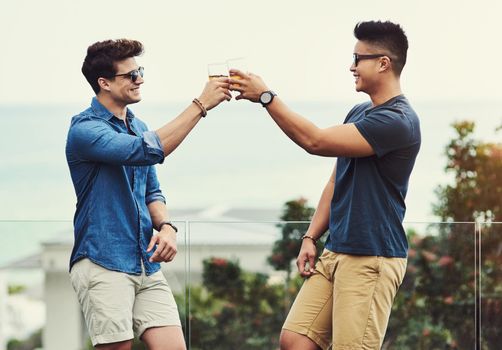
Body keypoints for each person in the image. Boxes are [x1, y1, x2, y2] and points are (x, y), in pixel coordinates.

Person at [229, 20, 421, 349]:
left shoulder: (397, 121)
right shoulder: (361, 111)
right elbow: (337, 177)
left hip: (371, 257)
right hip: (337, 250)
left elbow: (314, 141)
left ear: (383, 63)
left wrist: (265, 96)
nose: (351, 66)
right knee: (296, 340)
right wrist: (311, 236)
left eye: (358, 58)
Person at [65, 39, 230, 350]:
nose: (140, 78)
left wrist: (166, 227)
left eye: (139, 70)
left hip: (146, 261)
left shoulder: (138, 125)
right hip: (104, 259)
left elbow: (152, 191)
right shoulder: (85, 130)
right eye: (130, 75)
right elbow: (145, 150)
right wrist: (201, 104)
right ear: (104, 83)